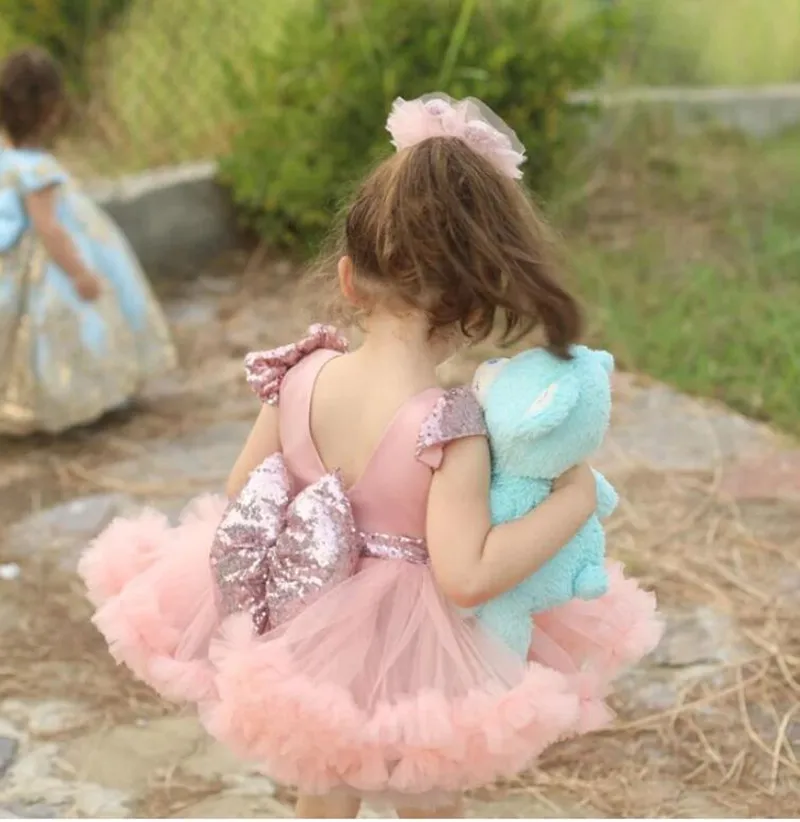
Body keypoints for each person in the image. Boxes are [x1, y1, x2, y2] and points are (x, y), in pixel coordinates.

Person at [79, 94, 662, 818]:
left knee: (321, 776)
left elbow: (243, 487)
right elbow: (469, 574)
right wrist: (575, 498)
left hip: (306, 613)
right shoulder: (450, 426)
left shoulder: (301, 374)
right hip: (417, 647)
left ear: (350, 278)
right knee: (426, 785)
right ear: (476, 309)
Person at [0, 47, 176, 436]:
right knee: (75, 327)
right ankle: (81, 401)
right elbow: (49, 229)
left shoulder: (6, 160)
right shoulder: (39, 170)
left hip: (11, 268)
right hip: (53, 266)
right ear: (51, 110)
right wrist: (79, 272)